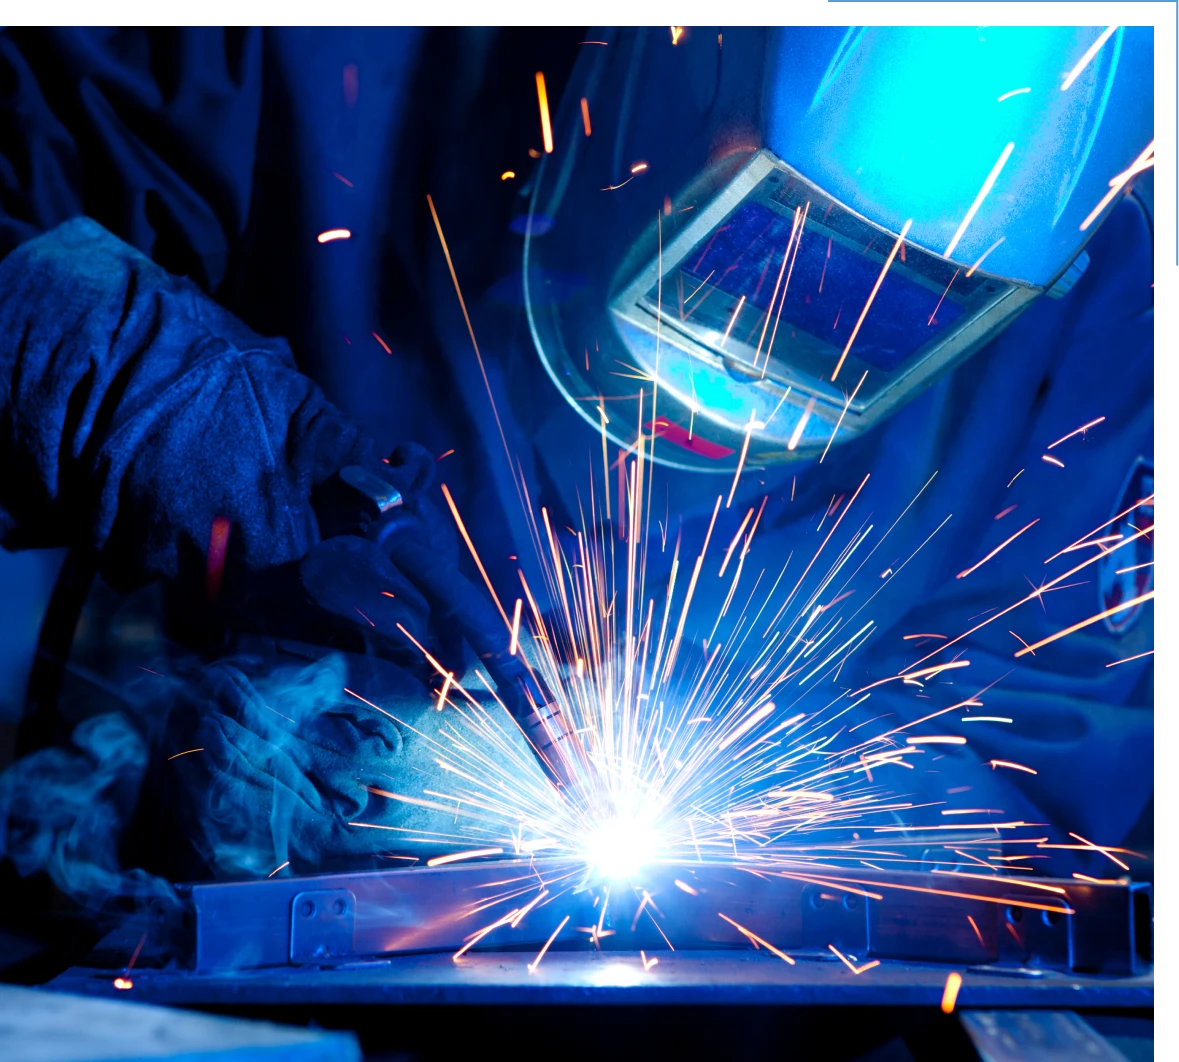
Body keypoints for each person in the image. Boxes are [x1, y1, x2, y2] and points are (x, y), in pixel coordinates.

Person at [0, 25, 1155, 941]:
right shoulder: (314, 51)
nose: (770, 340)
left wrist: (752, 836)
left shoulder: (1096, 302)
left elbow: (1048, 804)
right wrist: (160, 392)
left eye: (901, 309)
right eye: (757, 249)